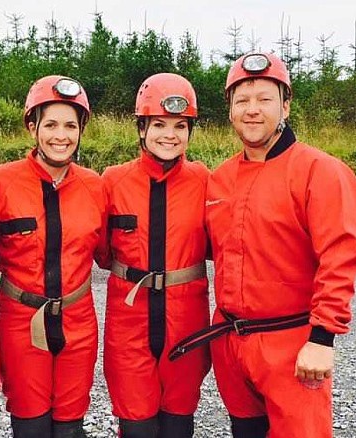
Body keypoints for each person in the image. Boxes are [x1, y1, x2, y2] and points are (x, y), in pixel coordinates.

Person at [168, 52, 356, 438]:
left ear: (285, 105)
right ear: (229, 110)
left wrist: (322, 338)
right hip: (231, 341)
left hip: (292, 345)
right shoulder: (221, 178)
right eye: (241, 100)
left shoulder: (320, 171)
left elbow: (341, 257)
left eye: (264, 99)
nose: (252, 110)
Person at [0, 75, 107, 438]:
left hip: (78, 318)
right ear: (32, 127)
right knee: (31, 424)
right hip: (20, 319)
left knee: (70, 426)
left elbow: (106, 252)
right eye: (50, 124)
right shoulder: (0, 182)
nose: (60, 135)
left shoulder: (94, 186)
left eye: (70, 125)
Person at [100, 73, 211, 438]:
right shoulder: (112, 181)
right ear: (142, 128)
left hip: (187, 320)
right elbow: (101, 250)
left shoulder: (206, 181)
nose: (169, 134)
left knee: (179, 423)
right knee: (137, 426)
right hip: (129, 321)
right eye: (159, 124)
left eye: (180, 125)